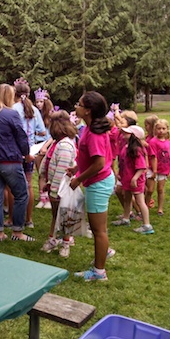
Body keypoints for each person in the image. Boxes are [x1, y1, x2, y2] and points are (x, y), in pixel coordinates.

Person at [68, 91, 115, 281]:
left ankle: (99, 272)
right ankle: (102, 254)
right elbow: (89, 159)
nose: (76, 107)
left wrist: (78, 179)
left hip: (98, 183)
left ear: (88, 111)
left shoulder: (94, 133)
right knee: (99, 229)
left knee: (99, 231)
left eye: (79, 104)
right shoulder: (88, 127)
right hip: (98, 180)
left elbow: (98, 163)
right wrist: (77, 168)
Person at [0, 84, 34, 241]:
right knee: (21, 194)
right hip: (9, 160)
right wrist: (27, 154)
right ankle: (17, 232)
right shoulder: (11, 114)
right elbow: (21, 136)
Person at [39, 111, 77, 257]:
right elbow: (48, 162)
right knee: (56, 215)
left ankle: (66, 242)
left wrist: (54, 191)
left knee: (64, 215)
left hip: (62, 189)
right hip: (54, 186)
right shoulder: (57, 143)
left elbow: (61, 169)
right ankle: (53, 238)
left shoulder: (65, 145)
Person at [11, 78, 46, 228]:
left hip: (14, 150)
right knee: (28, 185)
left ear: (15, 93)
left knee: (13, 186)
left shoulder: (12, 108)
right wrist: (32, 135)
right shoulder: (34, 110)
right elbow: (43, 131)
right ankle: (29, 219)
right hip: (30, 151)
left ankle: (13, 219)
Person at [111, 125, 154, 234]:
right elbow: (123, 163)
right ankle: (126, 218)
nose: (124, 134)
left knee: (140, 202)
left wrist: (134, 178)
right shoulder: (126, 148)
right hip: (127, 179)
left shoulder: (137, 150)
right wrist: (120, 174)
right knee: (127, 199)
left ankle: (147, 225)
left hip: (135, 181)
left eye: (127, 133)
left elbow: (141, 167)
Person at [147, 119, 170, 216]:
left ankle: (160, 209)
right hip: (153, 169)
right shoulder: (153, 142)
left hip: (164, 169)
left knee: (160, 189)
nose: (161, 131)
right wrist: (154, 170)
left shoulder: (168, 142)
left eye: (163, 128)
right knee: (150, 190)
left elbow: (169, 155)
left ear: (167, 130)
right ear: (155, 129)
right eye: (158, 128)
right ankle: (145, 207)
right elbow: (153, 156)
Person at [143, 114, 159, 208]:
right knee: (146, 187)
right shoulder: (147, 137)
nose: (145, 127)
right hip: (146, 165)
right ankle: (145, 204)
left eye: (147, 125)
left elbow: (154, 156)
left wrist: (155, 170)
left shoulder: (153, 140)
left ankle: (146, 204)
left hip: (152, 166)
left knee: (150, 189)